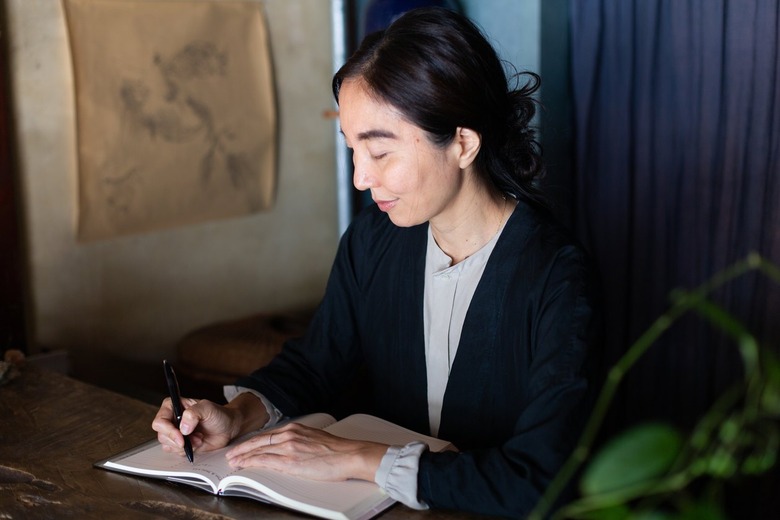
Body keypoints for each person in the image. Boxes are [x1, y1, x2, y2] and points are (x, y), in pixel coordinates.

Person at [153, 7, 601, 518]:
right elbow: (317, 363)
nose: (360, 180)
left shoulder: (557, 277)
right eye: (351, 150)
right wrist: (237, 414)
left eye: (380, 153)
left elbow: (542, 478)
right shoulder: (373, 240)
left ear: (462, 143)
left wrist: (361, 459)